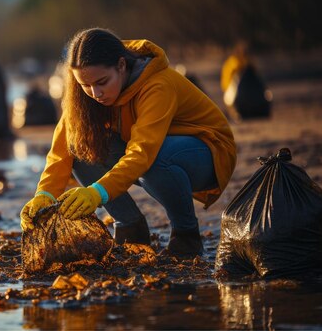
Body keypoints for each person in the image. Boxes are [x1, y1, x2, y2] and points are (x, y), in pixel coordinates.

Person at [19, 28, 237, 258]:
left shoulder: (158, 85)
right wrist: (45, 194)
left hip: (207, 153)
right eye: (85, 85)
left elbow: (143, 151)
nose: (95, 93)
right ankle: (130, 227)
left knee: (156, 159)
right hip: (152, 150)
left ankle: (186, 235)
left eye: (102, 82)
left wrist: (97, 193)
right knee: (80, 147)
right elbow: (63, 148)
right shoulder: (88, 90)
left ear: (121, 65)